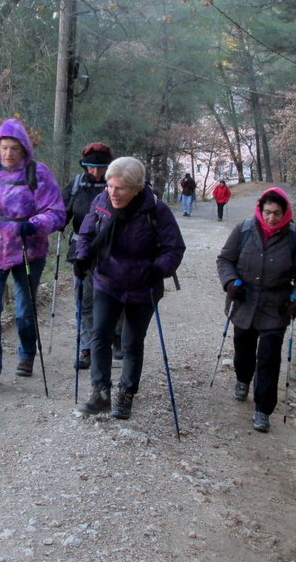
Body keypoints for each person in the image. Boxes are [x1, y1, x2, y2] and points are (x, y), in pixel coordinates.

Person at [0, 118, 65, 391]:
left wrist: (34, 225)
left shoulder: (37, 174)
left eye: (14, 148)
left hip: (29, 249)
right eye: (4, 147)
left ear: (24, 149)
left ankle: (27, 352)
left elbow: (56, 212)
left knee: (24, 309)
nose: (8, 153)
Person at [74, 157, 186, 419]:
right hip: (106, 280)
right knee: (100, 334)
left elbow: (174, 249)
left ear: (137, 188)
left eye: (120, 188)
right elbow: (87, 233)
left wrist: (159, 269)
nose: (113, 192)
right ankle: (101, 392)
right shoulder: (102, 201)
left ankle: (126, 394)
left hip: (142, 286)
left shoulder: (156, 211)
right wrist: (81, 256)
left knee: (131, 342)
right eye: (110, 186)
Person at [216, 187, 296, 432]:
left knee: (270, 357)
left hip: (276, 305)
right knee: (243, 350)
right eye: (268, 212)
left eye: (277, 213)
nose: (272, 218)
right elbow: (225, 260)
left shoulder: (295, 237)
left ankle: (263, 408)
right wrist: (230, 282)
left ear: (286, 213)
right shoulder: (244, 229)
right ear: (260, 210)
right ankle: (242, 378)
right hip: (244, 300)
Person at [62, 141, 114, 370]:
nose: (95, 172)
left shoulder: (118, 183)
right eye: (90, 167)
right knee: (84, 300)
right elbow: (61, 213)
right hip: (81, 250)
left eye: (100, 167)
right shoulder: (76, 185)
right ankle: (87, 348)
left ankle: (113, 338)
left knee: (112, 298)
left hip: (113, 251)